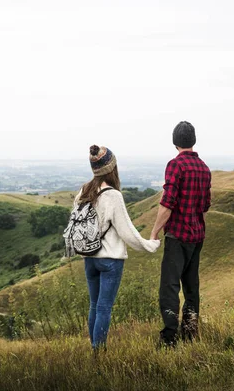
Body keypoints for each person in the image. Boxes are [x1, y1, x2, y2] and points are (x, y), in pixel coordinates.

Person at [76, 145, 160, 350]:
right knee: (104, 307)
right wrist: (150, 245)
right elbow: (127, 232)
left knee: (94, 305)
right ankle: (98, 353)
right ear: (112, 168)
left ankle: (94, 349)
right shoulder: (113, 196)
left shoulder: (83, 191)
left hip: (89, 258)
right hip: (110, 260)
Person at [150, 121, 212, 347]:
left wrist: (155, 231)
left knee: (169, 286)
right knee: (191, 285)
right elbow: (205, 205)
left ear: (175, 142)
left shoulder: (175, 165)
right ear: (193, 140)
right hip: (197, 237)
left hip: (177, 236)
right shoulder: (204, 168)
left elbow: (167, 204)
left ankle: (169, 338)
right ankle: (190, 331)